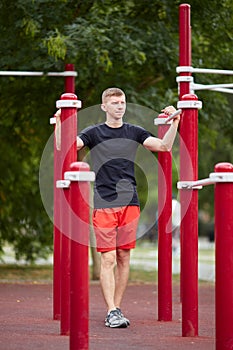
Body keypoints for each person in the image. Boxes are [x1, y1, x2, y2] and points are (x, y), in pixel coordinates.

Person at [56, 87, 180, 328]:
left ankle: (116, 309)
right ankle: (111, 309)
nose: (119, 106)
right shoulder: (94, 132)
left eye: (122, 102)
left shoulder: (134, 131)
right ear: (104, 107)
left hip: (130, 202)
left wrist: (175, 121)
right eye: (114, 103)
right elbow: (67, 147)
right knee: (108, 258)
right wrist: (60, 124)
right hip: (104, 201)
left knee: (124, 256)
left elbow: (164, 146)